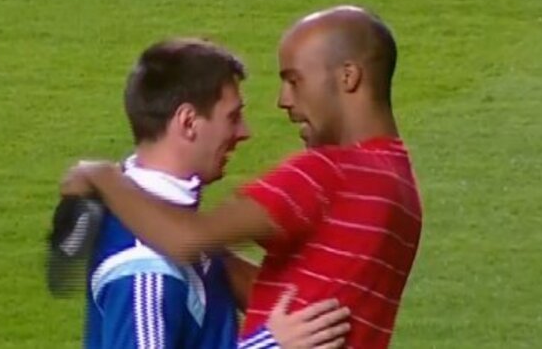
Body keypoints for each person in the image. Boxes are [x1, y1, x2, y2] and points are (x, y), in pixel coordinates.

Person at [63, 6, 424, 348]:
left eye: (294, 80)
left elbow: (187, 241)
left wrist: (100, 176)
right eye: (234, 117)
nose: (283, 100)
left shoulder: (326, 175)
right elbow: (304, 298)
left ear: (348, 76)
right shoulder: (397, 182)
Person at [78, 38, 351, 348]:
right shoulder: (145, 272)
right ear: (189, 122)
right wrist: (270, 346)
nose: (244, 132)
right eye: (233, 118)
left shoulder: (156, 211)